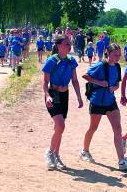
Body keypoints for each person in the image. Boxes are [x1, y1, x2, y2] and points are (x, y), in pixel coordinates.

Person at [79, 43, 127, 171]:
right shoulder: (100, 65)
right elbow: (85, 76)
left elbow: (116, 84)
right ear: (107, 53)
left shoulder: (117, 67)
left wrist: (114, 87)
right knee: (93, 128)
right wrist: (100, 82)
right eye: (114, 54)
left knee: (118, 129)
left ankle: (122, 161)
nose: (117, 57)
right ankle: (84, 150)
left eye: (119, 55)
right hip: (97, 101)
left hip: (110, 101)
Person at [43, 35, 83, 170]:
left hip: (65, 95)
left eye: (69, 43)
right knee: (60, 126)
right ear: (59, 46)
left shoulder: (71, 61)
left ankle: (56, 156)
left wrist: (79, 96)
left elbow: (75, 80)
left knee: (59, 128)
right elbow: (44, 82)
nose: (69, 45)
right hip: (53, 95)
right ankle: (49, 153)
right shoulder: (51, 61)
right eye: (66, 44)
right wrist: (47, 95)